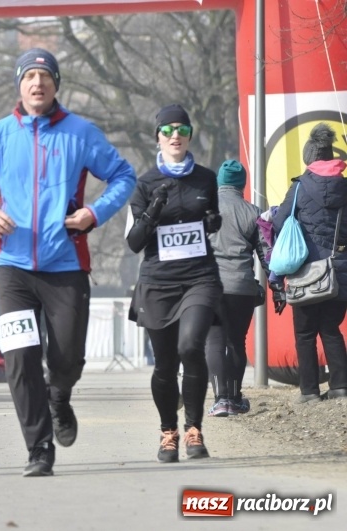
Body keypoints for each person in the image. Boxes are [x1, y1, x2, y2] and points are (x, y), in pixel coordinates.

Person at [0, 49, 136, 476]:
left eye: (45, 76)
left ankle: (60, 397)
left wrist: (94, 213)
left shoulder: (80, 132)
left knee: (67, 358)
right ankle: (39, 448)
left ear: (55, 85)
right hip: (12, 265)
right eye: (29, 76)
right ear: (19, 84)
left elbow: (123, 176)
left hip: (66, 262)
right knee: (20, 360)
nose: (37, 83)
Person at [126, 104, 222, 463]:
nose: (175, 135)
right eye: (168, 130)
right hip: (158, 282)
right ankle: (169, 431)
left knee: (190, 347)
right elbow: (135, 242)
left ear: (190, 135)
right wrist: (153, 209)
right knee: (165, 364)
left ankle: (195, 429)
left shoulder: (206, 179)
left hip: (199, 277)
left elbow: (210, 222)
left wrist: (213, 221)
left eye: (182, 129)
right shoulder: (145, 183)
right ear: (158, 137)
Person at [272, 123, 347, 403]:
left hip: (306, 272)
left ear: (309, 158)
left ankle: (309, 391)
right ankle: (340, 387)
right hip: (340, 269)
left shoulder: (300, 187)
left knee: (304, 333)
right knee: (331, 328)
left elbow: (280, 223)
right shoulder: (345, 187)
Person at [204, 160, 281, 417]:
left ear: (219, 182)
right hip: (242, 287)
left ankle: (220, 399)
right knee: (237, 342)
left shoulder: (205, 209)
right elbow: (267, 255)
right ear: (242, 185)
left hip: (210, 285)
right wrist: (276, 287)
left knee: (214, 340)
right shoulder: (254, 212)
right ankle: (235, 399)